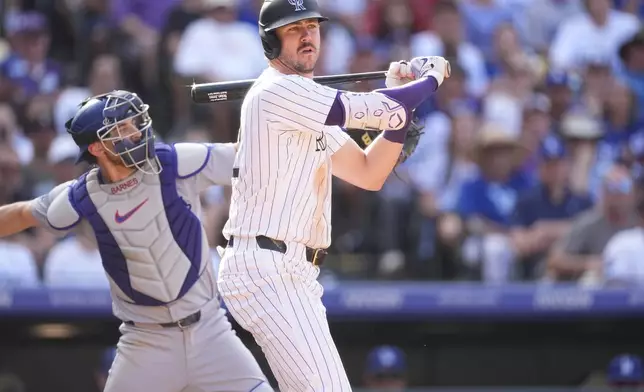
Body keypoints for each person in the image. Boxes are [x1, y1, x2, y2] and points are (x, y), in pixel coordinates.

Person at [216, 0, 450, 390]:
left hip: (294, 271)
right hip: (266, 268)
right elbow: (381, 110)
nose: (307, 36)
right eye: (294, 29)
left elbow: (369, 172)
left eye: (312, 26)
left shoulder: (306, 103)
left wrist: (397, 108)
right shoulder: (278, 91)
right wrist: (429, 80)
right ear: (271, 41)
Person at [0, 90, 271, 392]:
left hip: (210, 329)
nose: (136, 131)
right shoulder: (83, 195)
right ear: (97, 147)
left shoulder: (174, 162)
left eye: (134, 122)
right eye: (122, 129)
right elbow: (23, 213)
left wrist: (287, 122)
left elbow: (247, 157)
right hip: (146, 342)